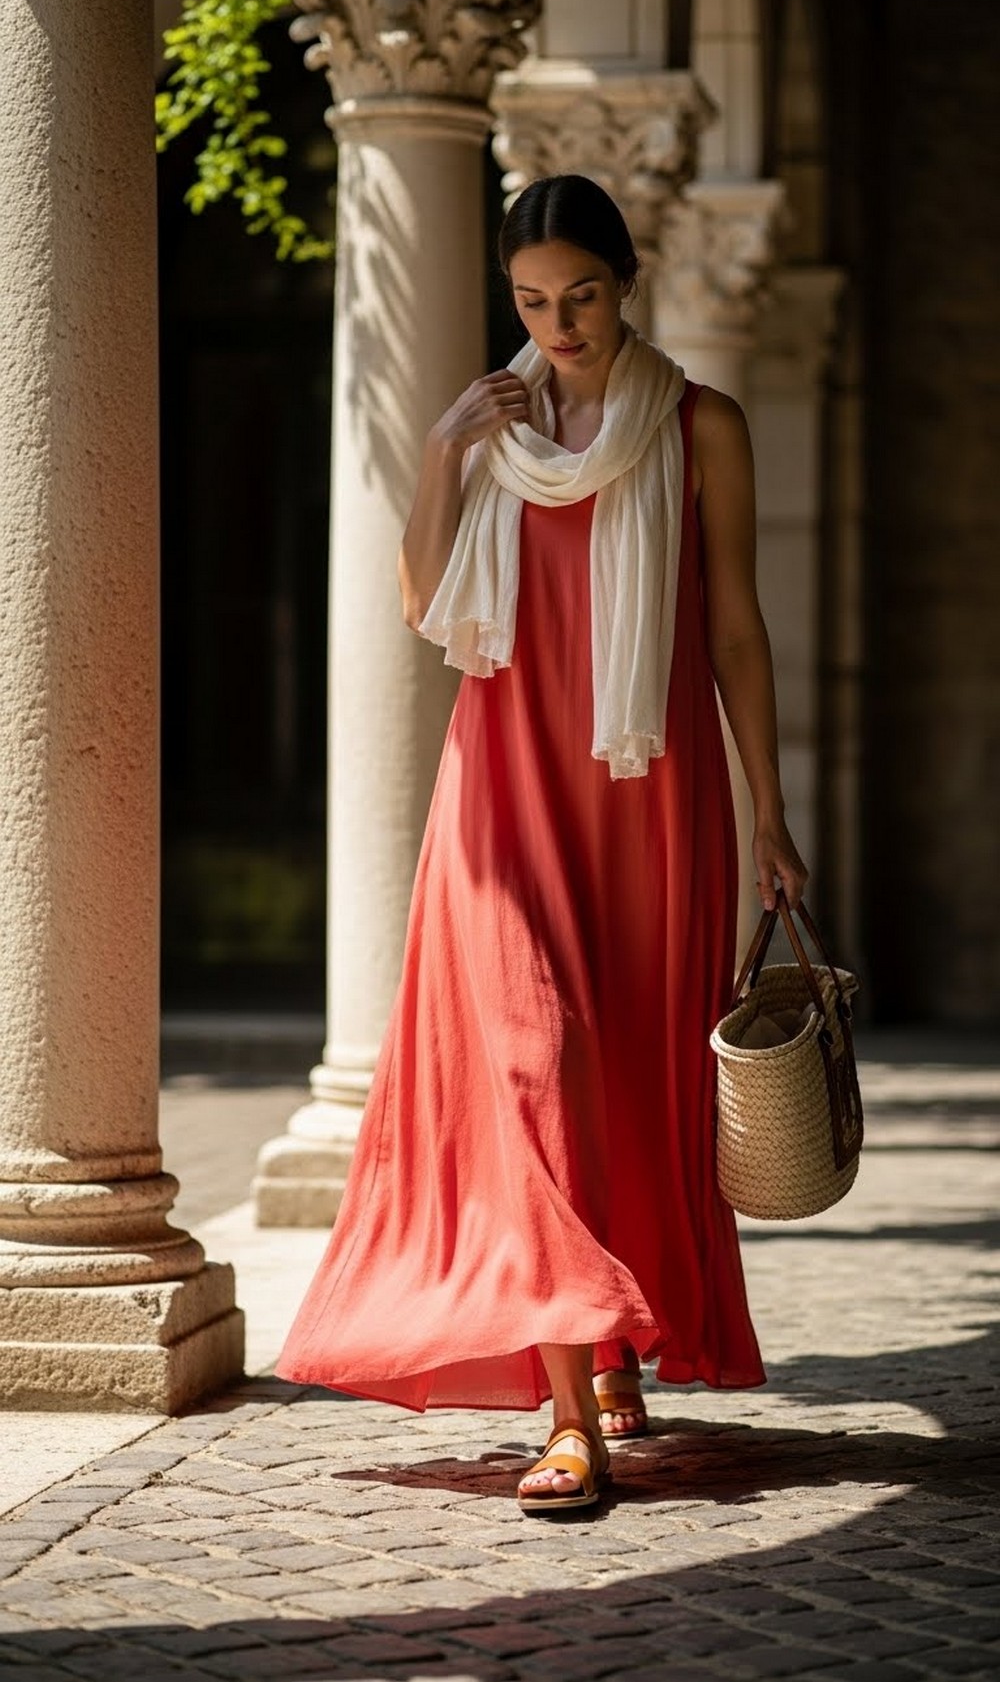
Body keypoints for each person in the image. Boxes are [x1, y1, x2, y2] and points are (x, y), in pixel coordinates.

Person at [276, 174, 808, 1516]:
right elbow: (419, 599)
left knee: (626, 1075)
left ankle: (616, 1345)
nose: (557, 323)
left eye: (579, 296)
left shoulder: (703, 427)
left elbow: (734, 630)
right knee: (532, 1065)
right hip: (503, 793)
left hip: (649, 791)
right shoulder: (497, 429)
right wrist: (446, 447)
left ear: (624, 283)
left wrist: (772, 814)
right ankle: (571, 1417)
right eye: (529, 300)